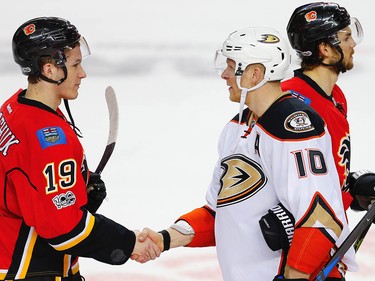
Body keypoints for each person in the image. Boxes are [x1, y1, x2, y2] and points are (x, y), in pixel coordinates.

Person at [133, 27, 357, 280]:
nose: (225, 75)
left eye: (232, 67)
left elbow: (320, 216)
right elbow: (223, 214)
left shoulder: (294, 127)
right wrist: (164, 239)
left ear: (255, 74)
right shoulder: (237, 126)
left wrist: (296, 274)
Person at [0, 17, 160, 281]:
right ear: (49, 70)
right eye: (75, 65)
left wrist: (76, 188)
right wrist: (129, 243)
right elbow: (64, 230)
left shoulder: (14, 108)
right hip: (31, 271)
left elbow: (27, 188)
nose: (82, 73)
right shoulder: (50, 140)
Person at [281, 2, 375, 214]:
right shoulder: (289, 102)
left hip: (330, 225)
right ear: (324, 49)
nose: (353, 44)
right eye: (346, 38)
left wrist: (352, 192)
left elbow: (321, 170)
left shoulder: (337, 96)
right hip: (304, 229)